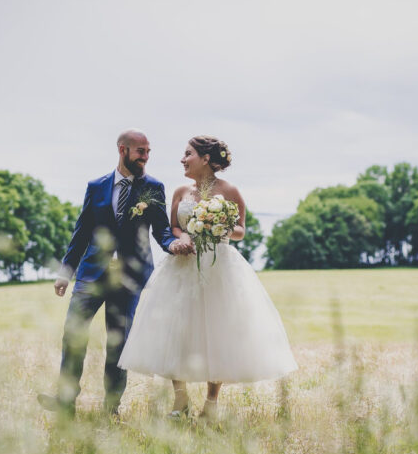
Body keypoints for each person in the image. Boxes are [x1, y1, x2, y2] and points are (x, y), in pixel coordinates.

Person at [118, 135, 297, 420]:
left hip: (219, 265)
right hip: (182, 265)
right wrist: (184, 236)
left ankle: (211, 403)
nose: (182, 159)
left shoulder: (230, 190)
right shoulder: (180, 191)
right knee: (175, 329)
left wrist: (218, 228)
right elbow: (173, 227)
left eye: (188, 153)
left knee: (218, 329)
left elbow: (240, 230)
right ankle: (180, 400)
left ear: (205, 159)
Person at [38, 129, 191, 417]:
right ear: (123, 150)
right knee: (73, 335)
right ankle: (65, 401)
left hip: (129, 278)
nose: (145, 157)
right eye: (140, 151)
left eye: (148, 151)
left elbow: (160, 229)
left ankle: (111, 408)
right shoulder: (96, 186)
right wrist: (65, 272)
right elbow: (81, 232)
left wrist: (173, 245)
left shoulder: (154, 187)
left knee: (117, 343)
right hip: (91, 275)